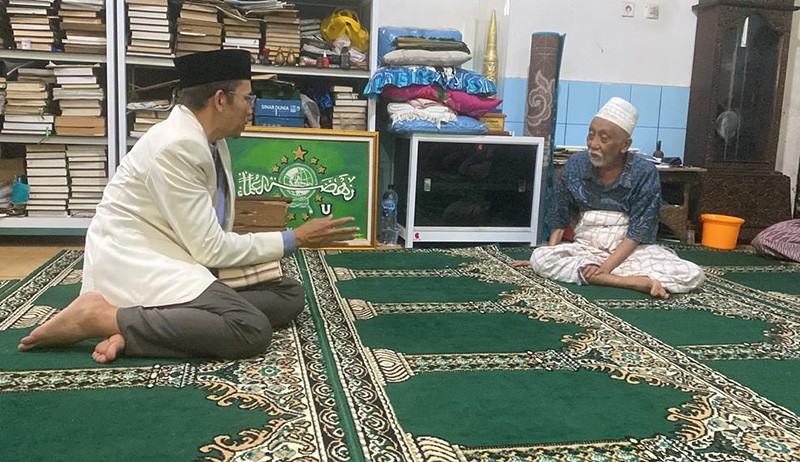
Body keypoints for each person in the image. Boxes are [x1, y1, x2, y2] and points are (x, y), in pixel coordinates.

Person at [18, 50, 358, 362]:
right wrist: (293, 239)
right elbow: (211, 249)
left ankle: (135, 329)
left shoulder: (209, 138)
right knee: (249, 329)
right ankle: (104, 316)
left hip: (181, 252)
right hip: (140, 260)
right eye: (247, 97)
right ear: (221, 100)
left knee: (288, 295)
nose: (251, 107)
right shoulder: (178, 146)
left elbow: (210, 236)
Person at [512, 97, 704, 298]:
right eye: (591, 135)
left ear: (624, 145)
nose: (593, 144)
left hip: (628, 250)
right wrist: (550, 254)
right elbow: (560, 214)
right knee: (541, 257)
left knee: (691, 274)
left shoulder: (643, 172)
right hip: (586, 247)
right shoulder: (576, 164)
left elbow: (639, 231)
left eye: (604, 138)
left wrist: (605, 267)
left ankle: (596, 276)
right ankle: (631, 282)